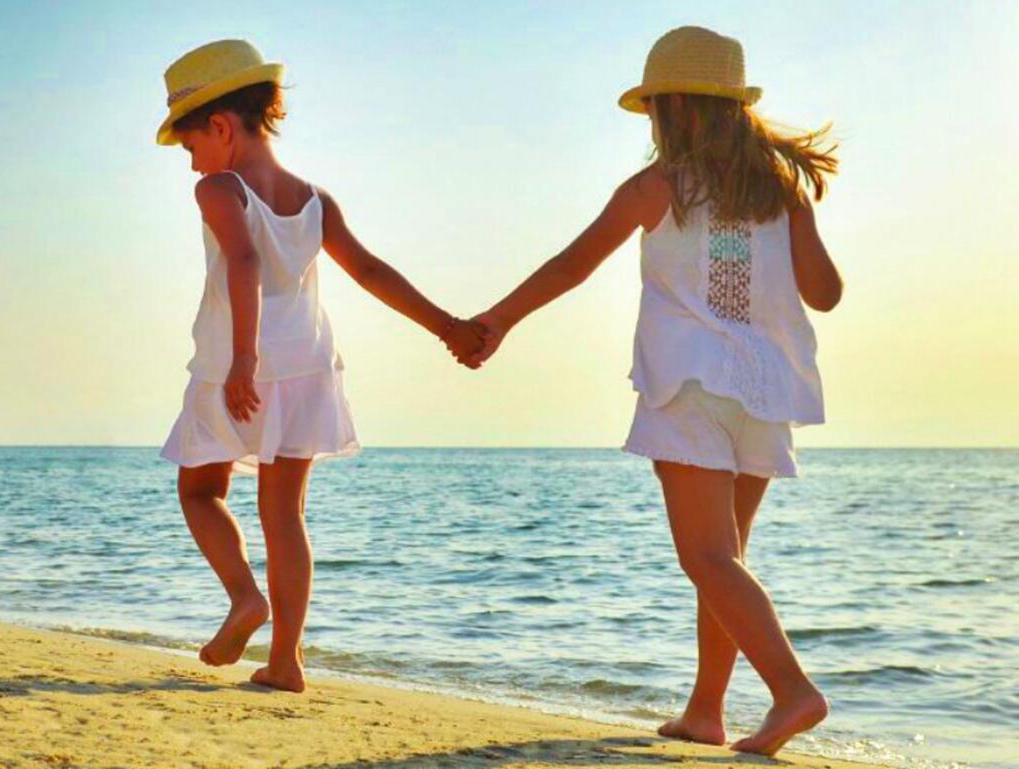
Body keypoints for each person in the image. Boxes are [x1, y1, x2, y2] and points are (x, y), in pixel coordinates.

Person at [469, 26, 842, 756]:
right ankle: (706, 711)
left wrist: (496, 321)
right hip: (766, 389)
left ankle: (794, 690)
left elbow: (572, 264)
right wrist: (799, 213)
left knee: (706, 557)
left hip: (692, 380)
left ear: (672, 105)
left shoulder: (659, 186)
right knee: (726, 557)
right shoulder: (781, 190)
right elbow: (825, 294)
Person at [157, 39, 486, 693]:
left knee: (200, 490)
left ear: (220, 127)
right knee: (286, 514)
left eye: (191, 146)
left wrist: (245, 357)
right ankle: (286, 661)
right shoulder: (314, 199)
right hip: (309, 366)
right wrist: (446, 325)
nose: (192, 164)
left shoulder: (220, 189)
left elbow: (245, 262)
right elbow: (368, 270)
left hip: (236, 363)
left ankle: (245, 597)